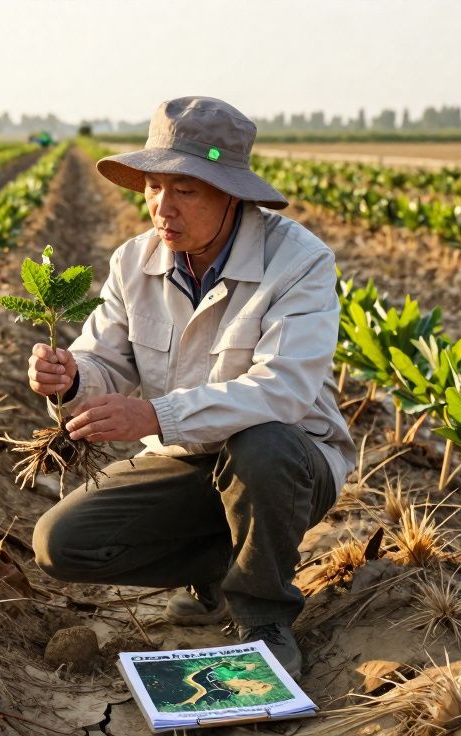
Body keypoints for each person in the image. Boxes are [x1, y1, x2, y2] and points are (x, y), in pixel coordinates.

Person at [28, 96, 357, 678]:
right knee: (62, 543)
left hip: (286, 465)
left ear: (231, 194)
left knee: (264, 444)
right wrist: (73, 377)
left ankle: (264, 616)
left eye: (186, 190)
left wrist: (154, 416)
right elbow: (106, 358)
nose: (162, 206)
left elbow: (283, 390)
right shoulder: (134, 262)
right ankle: (219, 570)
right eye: (154, 186)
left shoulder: (299, 262)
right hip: (186, 458)